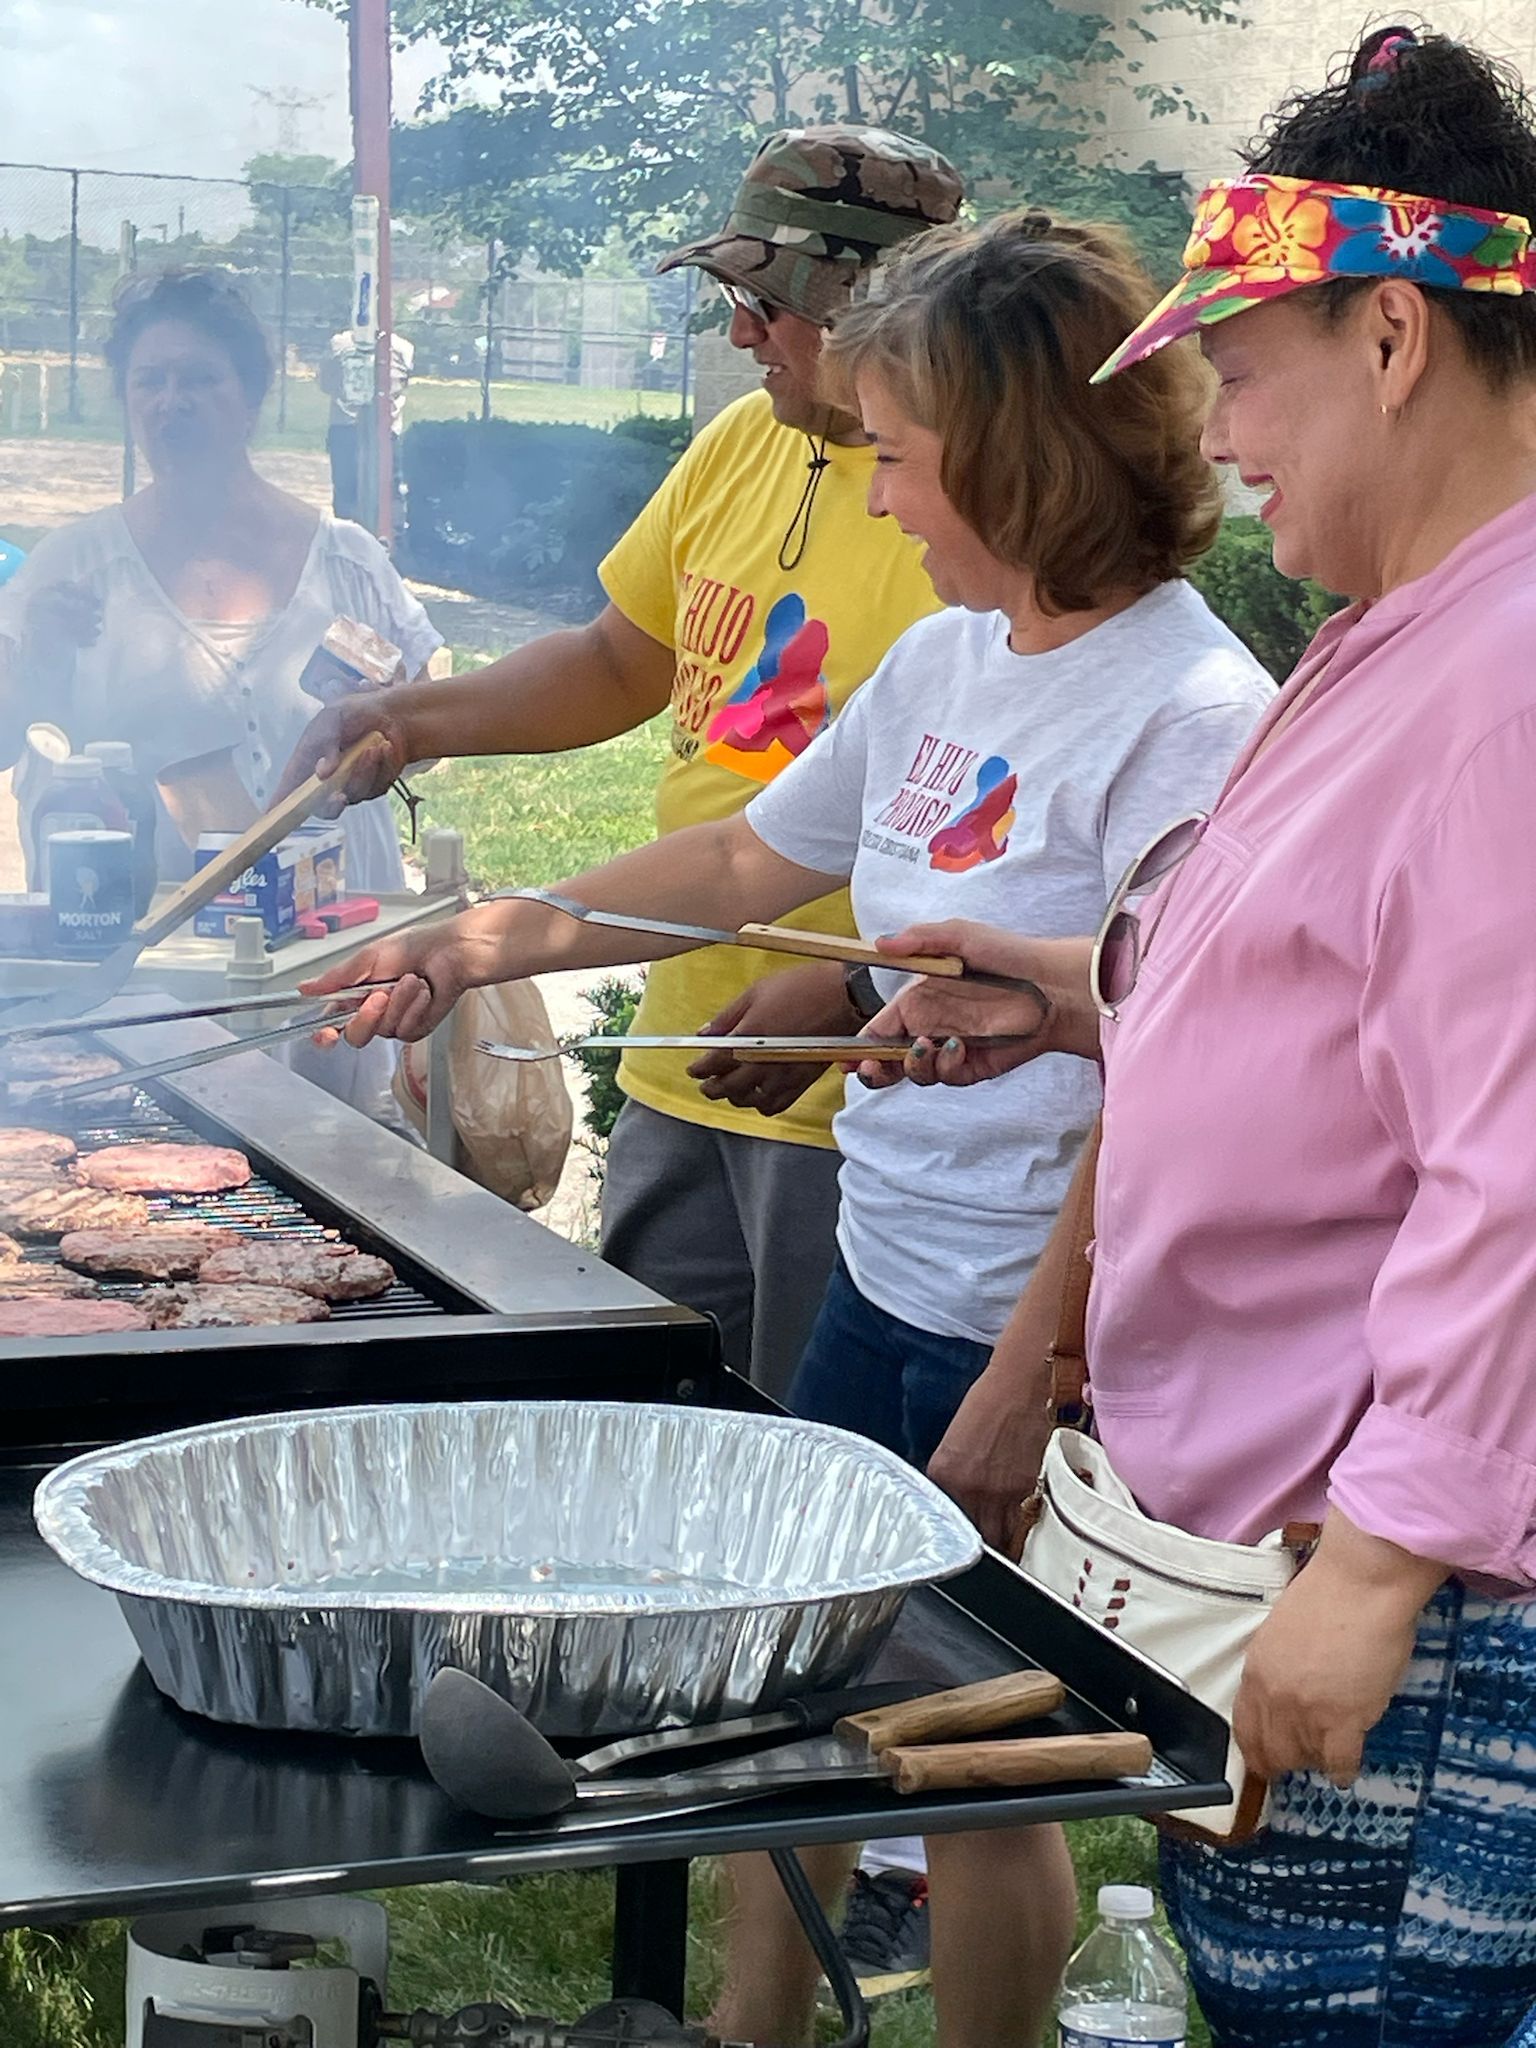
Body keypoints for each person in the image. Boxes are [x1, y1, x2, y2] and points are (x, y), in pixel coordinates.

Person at [303, 207, 1273, 2047]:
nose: (884, 496)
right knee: (785, 1696)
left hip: (1038, 1342)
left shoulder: (1192, 714)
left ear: (1008, 450)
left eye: (903, 455)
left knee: (989, 1767)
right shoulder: (949, 662)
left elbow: (1178, 1071)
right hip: (883, 1284)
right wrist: (494, 930)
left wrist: (1025, 1365)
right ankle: (752, 2032)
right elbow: (755, 858)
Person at [848, 28, 1536, 2047]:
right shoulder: (1411, 625)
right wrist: (1074, 990)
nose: (1217, 429)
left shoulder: (1506, 679)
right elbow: (1348, 990)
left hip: (1415, 1615)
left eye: (1246, 367)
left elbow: (1516, 1155)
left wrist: (1379, 1570)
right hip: (1298, 1554)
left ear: (1393, 337)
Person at [276, 127, 965, 1406]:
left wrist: (857, 989)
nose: (744, 332)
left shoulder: (962, 504)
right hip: (680, 1041)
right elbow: (614, 661)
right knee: (654, 1420)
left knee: (807, 1471)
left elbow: (1019, 825)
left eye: (768, 302)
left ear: (873, 308)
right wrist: (415, 717)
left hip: (851, 1089)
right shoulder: (741, 446)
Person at [0, 267, 442, 1117]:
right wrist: (35, 665)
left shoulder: (343, 561)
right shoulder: (72, 568)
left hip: (331, 956)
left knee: (347, 1185)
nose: (173, 402)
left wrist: (397, 719)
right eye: (150, 380)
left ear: (251, 398)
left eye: (200, 378)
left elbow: (431, 710)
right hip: (163, 979)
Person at [319, 324, 414, 522]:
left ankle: (347, 541)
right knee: (390, 489)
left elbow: (325, 383)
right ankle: (390, 540)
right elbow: (405, 383)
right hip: (387, 428)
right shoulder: (403, 348)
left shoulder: (339, 344)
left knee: (346, 489)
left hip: (345, 425)